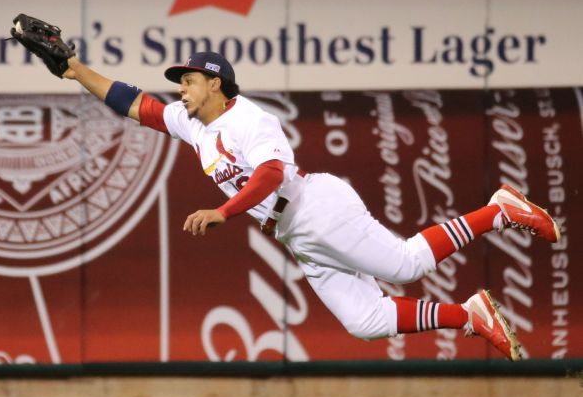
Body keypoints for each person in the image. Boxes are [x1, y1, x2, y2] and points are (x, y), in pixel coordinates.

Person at [61, 51, 560, 362]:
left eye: (188, 80)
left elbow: (271, 175)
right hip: (295, 231)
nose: (180, 89)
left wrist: (224, 212)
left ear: (215, 84)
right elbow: (135, 103)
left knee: (406, 265)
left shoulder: (248, 120)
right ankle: (469, 315)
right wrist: (76, 69)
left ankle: (500, 209)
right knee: (365, 322)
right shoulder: (192, 121)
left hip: (313, 206)